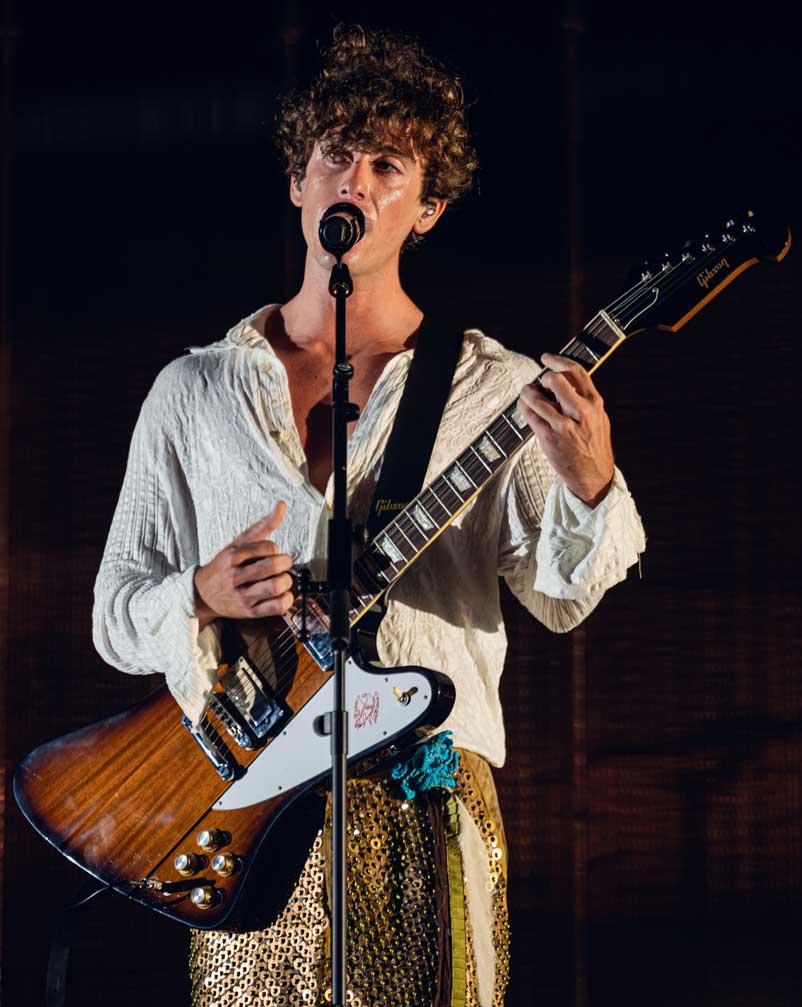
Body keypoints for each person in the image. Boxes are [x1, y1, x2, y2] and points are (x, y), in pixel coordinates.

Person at [92, 23, 646, 1007]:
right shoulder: (192, 390)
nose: (355, 178)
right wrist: (198, 592)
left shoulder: (491, 388)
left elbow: (563, 597)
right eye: (336, 154)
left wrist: (591, 482)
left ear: (427, 208)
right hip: (254, 805)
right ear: (297, 181)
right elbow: (114, 613)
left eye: (387, 164)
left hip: (422, 795)